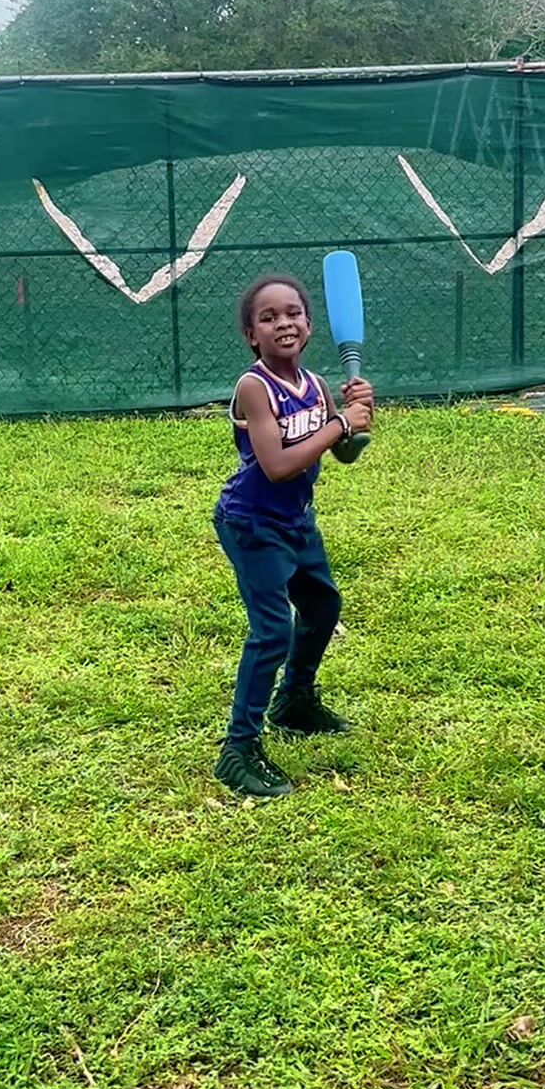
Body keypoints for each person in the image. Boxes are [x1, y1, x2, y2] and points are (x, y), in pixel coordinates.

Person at [212, 273, 375, 799]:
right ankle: (238, 750)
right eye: (268, 317)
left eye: (293, 313)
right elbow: (278, 465)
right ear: (251, 336)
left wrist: (359, 421)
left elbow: (343, 452)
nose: (283, 322)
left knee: (324, 607)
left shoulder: (318, 386)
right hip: (253, 524)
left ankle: (295, 702)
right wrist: (339, 424)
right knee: (271, 632)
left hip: (297, 521)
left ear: (308, 325)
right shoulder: (254, 387)